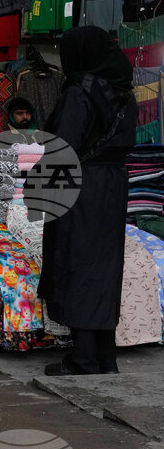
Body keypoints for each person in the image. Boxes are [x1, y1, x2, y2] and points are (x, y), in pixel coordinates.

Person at [40, 26, 136, 376]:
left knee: (76, 262)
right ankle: (105, 357)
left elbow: (62, 145)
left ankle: (82, 358)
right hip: (113, 184)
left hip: (81, 184)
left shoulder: (79, 91)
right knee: (105, 268)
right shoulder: (124, 92)